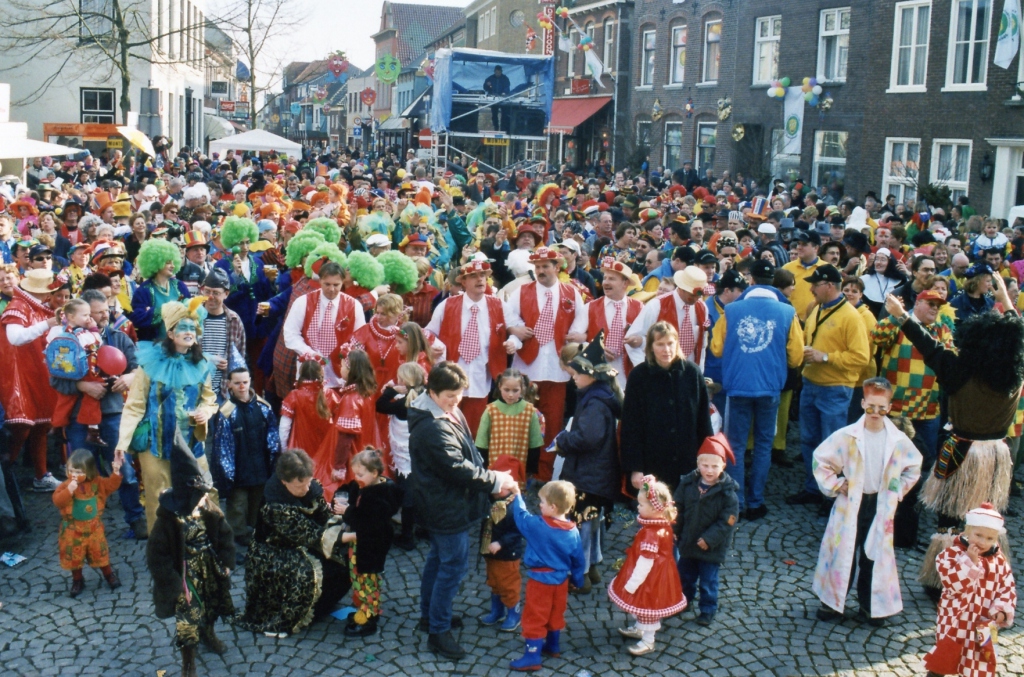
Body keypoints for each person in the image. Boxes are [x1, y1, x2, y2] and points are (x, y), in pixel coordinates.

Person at [882, 293, 1022, 598]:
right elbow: (1017, 334)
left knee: (948, 518)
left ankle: (941, 581)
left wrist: (902, 315)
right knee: (986, 518)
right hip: (996, 455)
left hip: (961, 450)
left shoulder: (959, 371)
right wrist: (1005, 299)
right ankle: (983, 578)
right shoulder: (1015, 377)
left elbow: (929, 347)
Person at [408, 362, 518, 660]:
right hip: (445, 507)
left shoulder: (441, 410)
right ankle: (438, 631)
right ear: (432, 392)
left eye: (458, 395)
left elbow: (466, 452)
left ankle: (429, 616)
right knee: (452, 567)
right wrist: (495, 480)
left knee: (438, 559)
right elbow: (456, 467)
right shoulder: (432, 426)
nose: (456, 401)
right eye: (450, 396)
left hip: (443, 503)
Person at [811, 377, 922, 626]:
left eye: (881, 408)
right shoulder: (846, 436)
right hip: (851, 503)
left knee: (874, 556)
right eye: (871, 406)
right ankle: (831, 602)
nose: (875, 412)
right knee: (843, 552)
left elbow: (913, 468)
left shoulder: (898, 440)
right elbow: (821, 459)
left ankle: (870, 605)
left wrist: (896, 490)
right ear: (862, 403)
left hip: (879, 504)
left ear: (890, 408)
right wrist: (836, 484)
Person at [115, 300, 219, 532]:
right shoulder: (150, 364)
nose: (189, 332)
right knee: (158, 497)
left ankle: (203, 541)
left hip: (191, 443)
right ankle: (161, 545)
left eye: (193, 328)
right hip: (156, 443)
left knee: (204, 490)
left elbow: (209, 399)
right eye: (183, 328)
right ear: (171, 333)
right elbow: (134, 405)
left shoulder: (202, 364)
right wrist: (122, 443)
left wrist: (205, 412)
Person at [710, 260, 803, 518]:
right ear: (773, 283)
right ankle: (756, 501)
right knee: (763, 444)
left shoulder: (731, 310)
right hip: (770, 387)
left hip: (738, 386)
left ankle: (736, 501)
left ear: (750, 280)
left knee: (736, 444)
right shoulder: (787, 312)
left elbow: (716, 348)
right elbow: (796, 357)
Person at [50, 289, 144, 538]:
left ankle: (135, 517)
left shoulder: (118, 338)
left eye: (106, 311)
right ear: (80, 315)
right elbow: (55, 379)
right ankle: (83, 522)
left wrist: (129, 377)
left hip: (112, 413)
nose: (104, 316)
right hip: (78, 418)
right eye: (96, 312)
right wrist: (82, 385)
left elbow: (139, 368)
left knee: (124, 469)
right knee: (81, 472)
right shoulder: (66, 342)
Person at [234, 449, 351, 638]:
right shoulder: (275, 506)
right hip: (272, 551)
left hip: (305, 540)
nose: (306, 489)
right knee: (305, 574)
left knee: (343, 559)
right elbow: (310, 534)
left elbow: (323, 515)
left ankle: (321, 605)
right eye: (300, 486)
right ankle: (286, 618)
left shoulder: (308, 485)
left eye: (308, 482)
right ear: (284, 482)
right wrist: (353, 535)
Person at [145, 432, 235, 676]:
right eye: (201, 495)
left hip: (209, 567)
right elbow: (157, 557)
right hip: (186, 576)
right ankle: (188, 660)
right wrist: (173, 585)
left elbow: (224, 533)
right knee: (188, 617)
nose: (205, 498)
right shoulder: (168, 520)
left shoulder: (208, 509)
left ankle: (209, 633)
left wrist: (227, 562)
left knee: (211, 605)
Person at [788, 264, 870, 507]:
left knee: (833, 444)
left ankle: (831, 495)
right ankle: (814, 488)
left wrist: (825, 357)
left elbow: (861, 357)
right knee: (809, 440)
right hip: (811, 383)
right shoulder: (817, 309)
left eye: (816, 284)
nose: (811, 289)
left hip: (835, 388)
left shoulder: (851, 317)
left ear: (830, 286)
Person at [504, 247, 588, 481]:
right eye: (537, 267)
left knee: (552, 423)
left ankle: (544, 474)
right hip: (527, 368)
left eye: (545, 266)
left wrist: (575, 340)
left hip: (556, 370)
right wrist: (516, 330)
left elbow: (580, 323)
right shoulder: (522, 292)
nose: (540, 271)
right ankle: (518, 472)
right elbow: (509, 317)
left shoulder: (572, 293)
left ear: (557, 267)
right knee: (521, 420)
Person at [554, 330, 622, 594]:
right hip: (596, 475)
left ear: (591, 375)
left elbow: (588, 438)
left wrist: (564, 440)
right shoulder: (599, 396)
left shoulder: (594, 403)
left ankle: (580, 577)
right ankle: (591, 568)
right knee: (592, 524)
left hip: (588, 475)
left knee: (581, 524)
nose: (573, 378)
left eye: (577, 374)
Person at [923, 503, 1016, 677]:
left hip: (984, 623)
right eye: (978, 535)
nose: (983, 542)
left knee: (980, 663)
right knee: (944, 658)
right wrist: (970, 562)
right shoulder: (950, 555)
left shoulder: (999, 561)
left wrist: (1002, 609)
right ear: (967, 531)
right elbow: (953, 583)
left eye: (989, 538)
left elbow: (1007, 587)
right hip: (956, 621)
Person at [621, 321, 713, 492]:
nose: (666, 349)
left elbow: (704, 422)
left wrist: (709, 461)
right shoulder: (639, 376)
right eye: (660, 344)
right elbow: (631, 426)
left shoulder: (692, 373)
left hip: (688, 462)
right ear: (651, 347)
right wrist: (635, 467)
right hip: (652, 463)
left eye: (670, 343)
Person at [427, 259, 511, 437]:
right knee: (447, 427)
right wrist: (432, 346)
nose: (480, 279)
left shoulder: (499, 305)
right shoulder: (447, 305)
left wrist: (515, 340)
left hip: (480, 377)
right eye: (473, 276)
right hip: (450, 376)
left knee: (475, 430)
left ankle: (471, 454)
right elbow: (428, 332)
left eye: (483, 275)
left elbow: (516, 327)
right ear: (463, 282)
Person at [507, 480, 586, 671]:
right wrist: (577, 579)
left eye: (542, 502)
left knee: (535, 615)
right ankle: (553, 645)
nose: (539, 505)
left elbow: (521, 517)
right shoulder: (573, 530)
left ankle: (532, 656)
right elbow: (578, 559)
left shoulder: (538, 526)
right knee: (555, 612)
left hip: (540, 582)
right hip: (561, 581)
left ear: (553, 507)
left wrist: (517, 495)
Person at [609, 474, 688, 655]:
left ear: (654, 508)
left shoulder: (651, 533)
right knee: (644, 606)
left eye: (641, 505)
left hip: (650, 578)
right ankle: (639, 629)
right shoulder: (661, 526)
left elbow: (645, 563)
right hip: (659, 573)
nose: (638, 507)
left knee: (648, 607)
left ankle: (648, 640)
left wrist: (632, 583)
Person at [209, 367, 281, 553]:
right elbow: (222, 449)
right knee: (237, 508)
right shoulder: (226, 413)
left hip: (261, 469)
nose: (242, 386)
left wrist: (273, 465)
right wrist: (228, 476)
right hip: (239, 473)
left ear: (250, 381)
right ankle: (236, 542)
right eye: (237, 383)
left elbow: (273, 439)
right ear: (229, 385)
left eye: (245, 382)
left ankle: (256, 535)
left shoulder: (264, 407)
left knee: (258, 505)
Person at [333, 448, 401, 637]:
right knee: (358, 576)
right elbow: (349, 489)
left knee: (367, 580)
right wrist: (341, 496)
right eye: (355, 473)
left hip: (371, 547)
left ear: (375, 473)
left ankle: (369, 615)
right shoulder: (364, 485)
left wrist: (347, 511)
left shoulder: (380, 497)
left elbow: (367, 522)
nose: (356, 478)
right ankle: (364, 607)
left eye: (360, 474)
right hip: (360, 544)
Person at [673, 434, 739, 627]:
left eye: (714, 466)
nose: (709, 470)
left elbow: (727, 521)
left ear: (723, 466)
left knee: (708, 581)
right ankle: (684, 600)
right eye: (705, 465)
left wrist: (709, 539)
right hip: (688, 542)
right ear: (698, 464)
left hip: (711, 548)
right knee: (685, 576)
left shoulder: (728, 494)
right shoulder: (687, 484)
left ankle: (708, 609)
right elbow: (677, 508)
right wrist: (675, 528)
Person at [52, 448, 124, 597]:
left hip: (94, 528)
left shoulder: (97, 483)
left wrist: (116, 471)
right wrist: (68, 491)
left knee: (100, 552)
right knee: (74, 555)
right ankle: (77, 580)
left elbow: (112, 485)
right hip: (72, 529)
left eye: (79, 472)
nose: (74, 475)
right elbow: (58, 501)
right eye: (71, 471)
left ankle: (108, 574)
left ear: (89, 471)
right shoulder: (66, 485)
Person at [282, 260, 364, 388]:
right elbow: (290, 334)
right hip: (310, 370)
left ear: (343, 282)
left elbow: (360, 339)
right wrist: (310, 353)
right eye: (327, 284)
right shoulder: (303, 302)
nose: (331, 289)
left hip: (340, 375)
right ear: (320, 280)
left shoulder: (354, 305)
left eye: (336, 285)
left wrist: (346, 356)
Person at [376, 362, 427, 549]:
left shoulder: (401, 404)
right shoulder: (425, 396)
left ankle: (407, 537)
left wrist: (390, 390)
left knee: (407, 495)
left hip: (405, 457)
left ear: (403, 381)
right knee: (422, 491)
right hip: (422, 454)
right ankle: (425, 528)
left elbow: (380, 405)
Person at [625, 266, 711, 370]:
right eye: (692, 295)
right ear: (681, 288)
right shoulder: (656, 306)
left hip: (689, 372)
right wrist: (645, 371)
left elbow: (702, 345)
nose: (696, 298)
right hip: (660, 372)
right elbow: (632, 341)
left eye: (700, 295)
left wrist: (699, 372)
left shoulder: (702, 308)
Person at [47, 298, 105, 445]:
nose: (89, 318)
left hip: (65, 370)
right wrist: (94, 329)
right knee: (93, 396)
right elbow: (97, 342)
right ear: (71, 317)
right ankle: (93, 430)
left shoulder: (59, 332)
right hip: (85, 371)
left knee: (65, 400)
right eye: (85, 315)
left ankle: (57, 426)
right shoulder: (82, 333)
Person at [478, 454, 526, 632]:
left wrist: (501, 543)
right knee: (494, 581)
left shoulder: (515, 505)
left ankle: (514, 613)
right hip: (491, 552)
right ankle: (497, 611)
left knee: (508, 584)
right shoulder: (492, 500)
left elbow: (518, 530)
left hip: (507, 554)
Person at [279, 356, 341, 488]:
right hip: (327, 451)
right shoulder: (330, 394)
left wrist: (284, 449)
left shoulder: (294, 395)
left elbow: (284, 427)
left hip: (300, 452)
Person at [585, 258, 643, 392]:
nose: (605, 282)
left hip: (629, 375)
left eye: (612, 279)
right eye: (605, 278)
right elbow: (574, 339)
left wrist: (640, 340)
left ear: (625, 283)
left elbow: (649, 338)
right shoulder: (590, 307)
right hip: (597, 376)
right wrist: (595, 348)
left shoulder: (639, 307)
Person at [475, 368, 543, 476]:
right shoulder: (490, 410)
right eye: (506, 390)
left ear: (522, 388)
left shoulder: (530, 411)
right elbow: (481, 442)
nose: (510, 395)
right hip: (494, 468)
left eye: (515, 390)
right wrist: (483, 467)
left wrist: (530, 469)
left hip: (520, 467)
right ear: (499, 386)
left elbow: (535, 443)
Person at [328, 348, 378, 493]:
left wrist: (338, 467)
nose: (340, 367)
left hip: (352, 459)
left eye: (343, 365)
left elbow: (345, 437)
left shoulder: (351, 399)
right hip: (364, 453)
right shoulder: (366, 393)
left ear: (351, 371)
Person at [127, 238, 191, 341]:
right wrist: (163, 311)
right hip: (154, 345)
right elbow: (136, 319)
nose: (172, 266)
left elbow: (190, 313)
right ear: (157, 262)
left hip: (179, 343)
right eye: (168, 262)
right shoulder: (143, 291)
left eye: (173, 262)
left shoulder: (180, 286)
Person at [198, 268, 246, 400]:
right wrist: (207, 359)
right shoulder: (193, 318)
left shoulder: (234, 320)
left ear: (226, 294)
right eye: (207, 291)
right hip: (196, 389)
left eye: (216, 293)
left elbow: (240, 357)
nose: (210, 297)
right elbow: (182, 353)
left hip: (223, 391)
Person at [483, 65, 511, 132]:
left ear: (501, 72)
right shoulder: (490, 78)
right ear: (494, 71)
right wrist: (487, 85)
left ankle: (503, 129)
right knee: (494, 114)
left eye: (499, 72)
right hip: (493, 99)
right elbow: (485, 88)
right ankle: (496, 128)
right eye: (496, 72)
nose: (498, 73)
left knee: (504, 114)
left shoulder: (505, 78)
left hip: (503, 99)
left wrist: (504, 92)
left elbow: (507, 87)